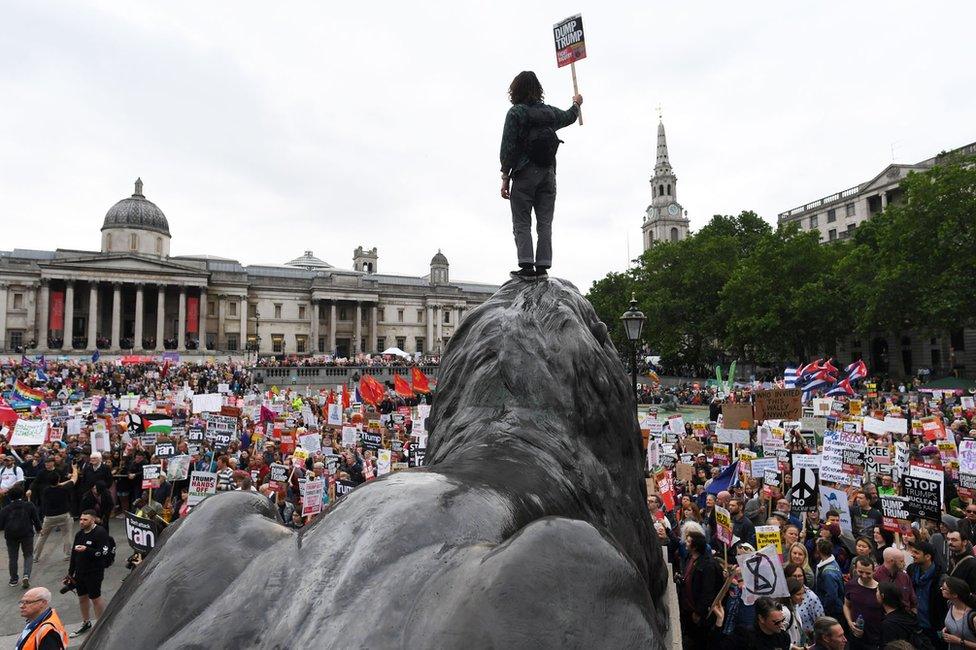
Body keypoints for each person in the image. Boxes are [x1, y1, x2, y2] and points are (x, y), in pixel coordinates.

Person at [498, 70, 582, 278]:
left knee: (522, 221)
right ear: (538, 90)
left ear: (515, 90)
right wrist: (577, 103)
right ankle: (543, 265)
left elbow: (507, 148)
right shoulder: (550, 113)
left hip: (525, 172)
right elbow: (570, 117)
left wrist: (505, 177)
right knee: (545, 223)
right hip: (548, 174)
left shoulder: (516, 113)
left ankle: (526, 266)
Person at [66, 509, 113, 638]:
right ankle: (86, 622)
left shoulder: (100, 533)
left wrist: (87, 549)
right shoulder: (79, 534)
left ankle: (100, 625)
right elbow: (74, 555)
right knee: (82, 598)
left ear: (92, 520)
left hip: (94, 572)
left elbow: (103, 553)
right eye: (81, 519)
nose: (81, 522)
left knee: (95, 598)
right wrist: (70, 573)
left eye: (85, 519)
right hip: (80, 572)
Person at [0, 485, 42, 588]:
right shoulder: (29, 505)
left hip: (11, 536)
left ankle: (13, 579)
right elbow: (36, 519)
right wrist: (38, 529)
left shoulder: (5, 509)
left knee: (13, 557)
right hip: (26, 533)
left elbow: (1, 525)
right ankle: (26, 575)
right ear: (22, 494)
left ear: (9, 497)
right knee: (28, 555)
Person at [909, 540, 948, 648]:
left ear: (927, 557)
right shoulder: (911, 570)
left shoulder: (941, 578)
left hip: (933, 627)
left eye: (916, 553)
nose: (913, 555)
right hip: (915, 625)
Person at [843, 555, 883, 649]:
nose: (864, 576)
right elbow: (846, 605)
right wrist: (849, 622)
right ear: (855, 569)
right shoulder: (851, 584)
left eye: (868, 573)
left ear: (874, 571)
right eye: (861, 572)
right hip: (855, 635)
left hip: (874, 638)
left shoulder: (880, 589)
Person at [877, 581, 923, 646]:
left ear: (882, 596)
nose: (875, 594)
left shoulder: (888, 624)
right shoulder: (906, 614)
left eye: (877, 591)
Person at [874, 546, 917, 611]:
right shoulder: (876, 576)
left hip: (905, 616)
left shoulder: (904, 576)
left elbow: (913, 600)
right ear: (891, 561)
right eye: (901, 561)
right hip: (885, 617)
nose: (904, 564)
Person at [815, 537, 846, 621]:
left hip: (833, 611)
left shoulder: (828, 573)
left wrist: (823, 607)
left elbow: (831, 596)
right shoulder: (833, 562)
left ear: (819, 550)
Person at [941, 576, 976, 650]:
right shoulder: (950, 604)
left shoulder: (973, 617)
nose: (941, 589)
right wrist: (948, 628)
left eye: (944, 589)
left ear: (955, 595)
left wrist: (958, 641)